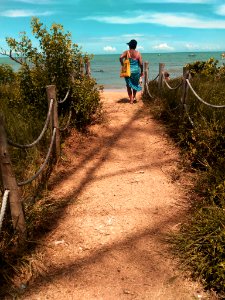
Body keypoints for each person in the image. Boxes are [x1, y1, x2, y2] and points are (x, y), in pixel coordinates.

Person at [120, 39, 143, 104]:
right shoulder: (138, 53)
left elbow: (120, 57)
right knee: (135, 84)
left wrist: (122, 64)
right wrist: (142, 71)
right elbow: (141, 64)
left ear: (129, 46)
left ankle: (131, 100)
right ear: (135, 46)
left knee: (128, 85)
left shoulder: (126, 52)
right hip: (136, 71)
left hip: (128, 71)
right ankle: (134, 97)